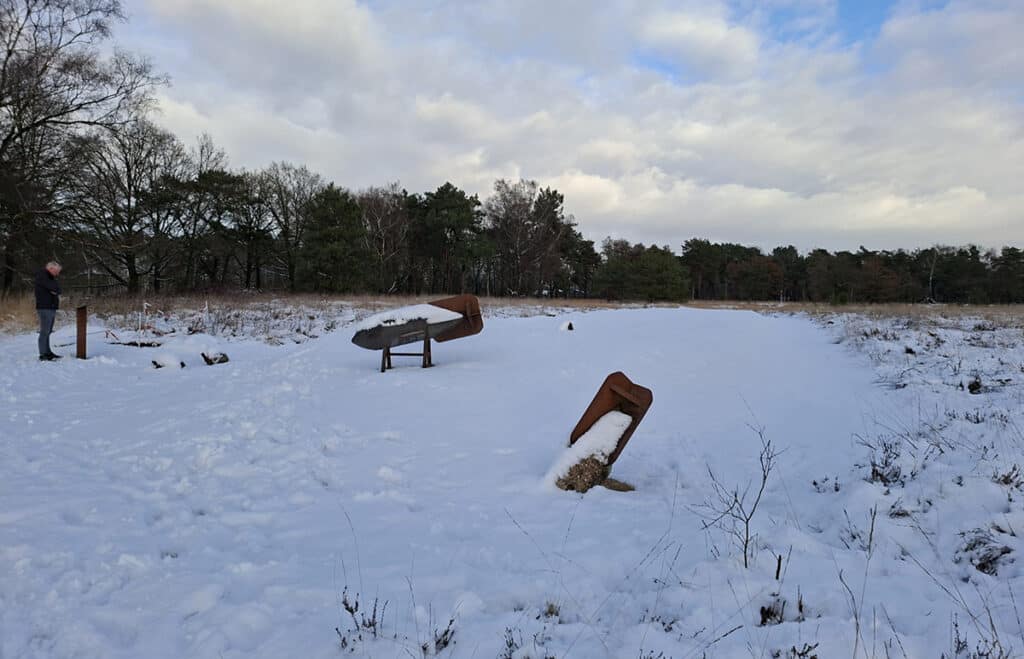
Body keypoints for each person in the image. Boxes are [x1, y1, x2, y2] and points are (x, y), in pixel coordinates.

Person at [35, 261, 62, 361]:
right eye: (56, 271)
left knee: (48, 331)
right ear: (51, 269)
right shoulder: (43, 276)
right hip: (45, 307)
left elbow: (58, 289)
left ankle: (48, 352)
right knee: (44, 331)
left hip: (50, 307)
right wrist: (54, 290)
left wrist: (55, 291)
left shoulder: (49, 277)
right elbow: (54, 287)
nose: (57, 274)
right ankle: (43, 354)